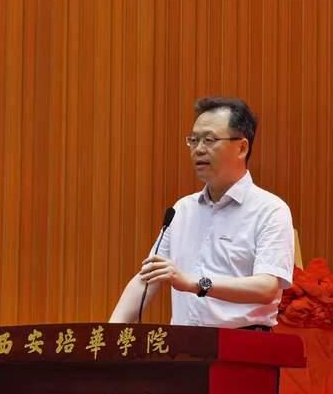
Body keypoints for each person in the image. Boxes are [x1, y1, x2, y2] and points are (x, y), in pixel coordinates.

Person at [109, 96, 294, 329]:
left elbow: (266, 288)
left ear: (242, 147)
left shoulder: (270, 210)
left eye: (209, 140)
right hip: (184, 343)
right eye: (193, 140)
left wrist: (196, 284)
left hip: (243, 343)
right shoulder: (182, 210)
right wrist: (110, 332)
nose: (198, 149)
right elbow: (147, 279)